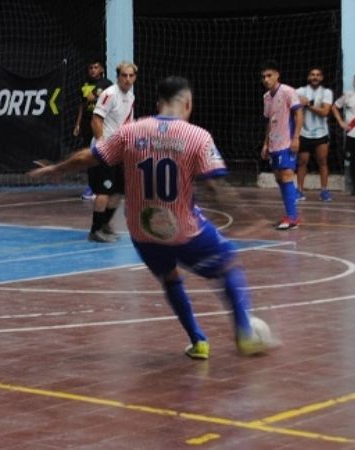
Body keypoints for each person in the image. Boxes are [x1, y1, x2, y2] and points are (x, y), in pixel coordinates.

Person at [31, 76, 277, 359]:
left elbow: (89, 156)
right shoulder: (197, 136)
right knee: (230, 265)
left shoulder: (130, 132)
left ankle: (198, 341)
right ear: (188, 103)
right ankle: (245, 332)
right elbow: (214, 187)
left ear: (158, 103)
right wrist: (246, 217)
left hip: (143, 230)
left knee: (170, 278)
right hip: (184, 230)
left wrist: (55, 170)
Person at [87, 61, 137, 243]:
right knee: (104, 191)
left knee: (117, 192)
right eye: (124, 75)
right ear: (118, 76)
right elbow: (96, 120)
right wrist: (102, 144)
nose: (128, 79)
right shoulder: (109, 94)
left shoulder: (130, 97)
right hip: (105, 151)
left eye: (131, 76)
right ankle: (95, 230)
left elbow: (128, 125)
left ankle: (105, 224)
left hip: (120, 152)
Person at [260, 60, 304, 230]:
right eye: (263, 76)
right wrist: (265, 144)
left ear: (277, 75)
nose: (266, 79)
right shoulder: (266, 97)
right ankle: (290, 215)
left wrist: (296, 138)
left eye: (269, 75)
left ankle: (292, 218)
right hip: (273, 144)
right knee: (280, 179)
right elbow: (269, 122)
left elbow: (299, 114)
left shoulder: (288, 91)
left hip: (287, 141)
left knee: (286, 176)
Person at [73, 59, 113, 200]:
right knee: (90, 156)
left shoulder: (106, 84)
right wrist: (78, 124)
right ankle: (95, 185)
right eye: (90, 67)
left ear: (101, 69)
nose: (93, 70)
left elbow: (99, 100)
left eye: (96, 67)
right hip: (87, 125)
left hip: (102, 125)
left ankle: (99, 186)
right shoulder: (85, 85)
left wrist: (94, 97)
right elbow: (82, 105)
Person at [296, 67, 333, 201]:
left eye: (318, 75)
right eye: (312, 74)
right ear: (308, 77)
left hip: (321, 134)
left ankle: (324, 191)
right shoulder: (300, 91)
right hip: (304, 133)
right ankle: (299, 190)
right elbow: (293, 101)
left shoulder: (327, 92)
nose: (315, 77)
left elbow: (325, 112)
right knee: (302, 162)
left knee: (322, 162)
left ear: (321, 78)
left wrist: (309, 104)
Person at [332, 74, 355, 195]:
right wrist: (341, 122)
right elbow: (334, 107)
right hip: (352, 134)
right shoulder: (348, 95)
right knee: (352, 162)